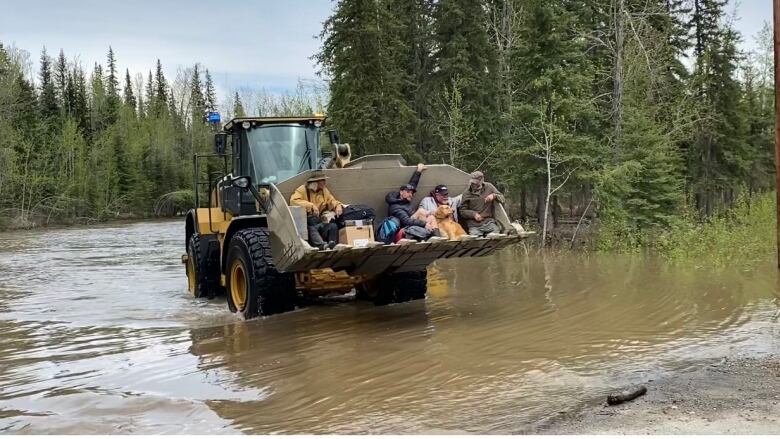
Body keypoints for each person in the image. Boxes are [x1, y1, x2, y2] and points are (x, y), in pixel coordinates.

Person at [290, 171, 344, 250]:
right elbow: (293, 201)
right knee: (311, 228)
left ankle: (332, 245)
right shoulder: (302, 190)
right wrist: (311, 205)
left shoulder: (324, 191)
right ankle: (322, 245)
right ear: (315, 182)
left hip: (319, 221)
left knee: (333, 226)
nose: (325, 182)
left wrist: (338, 205)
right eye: (322, 180)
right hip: (307, 222)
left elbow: (331, 200)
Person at [384, 163, 435, 240]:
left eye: (412, 193)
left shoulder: (404, 199)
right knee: (421, 212)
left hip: (412, 226)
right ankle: (430, 236)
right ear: (401, 192)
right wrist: (424, 224)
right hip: (403, 232)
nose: (411, 194)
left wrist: (418, 170)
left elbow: (412, 184)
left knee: (431, 217)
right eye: (408, 192)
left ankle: (437, 238)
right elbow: (406, 221)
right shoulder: (395, 206)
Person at [458, 171, 505, 237]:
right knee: (476, 242)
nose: (474, 185)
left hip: (489, 222)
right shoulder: (466, 194)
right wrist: (473, 214)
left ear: (482, 180)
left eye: (476, 183)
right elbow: (462, 211)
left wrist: (494, 196)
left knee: (496, 237)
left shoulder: (489, 187)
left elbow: (502, 199)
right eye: (472, 182)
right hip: (474, 225)